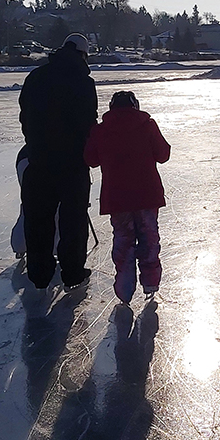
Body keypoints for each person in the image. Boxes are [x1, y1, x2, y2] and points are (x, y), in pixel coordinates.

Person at [19, 33, 97, 290]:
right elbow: (89, 123)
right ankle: (73, 272)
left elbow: (24, 116)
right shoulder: (83, 83)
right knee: (73, 221)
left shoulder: (36, 77)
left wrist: (35, 143)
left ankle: (39, 274)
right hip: (73, 164)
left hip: (39, 161)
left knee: (38, 220)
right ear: (83, 55)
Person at [84, 90, 171, 303]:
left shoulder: (100, 130)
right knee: (149, 237)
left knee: (123, 240)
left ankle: (124, 289)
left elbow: (90, 159)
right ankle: (150, 282)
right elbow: (164, 154)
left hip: (117, 197)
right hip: (146, 195)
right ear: (136, 106)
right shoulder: (147, 125)